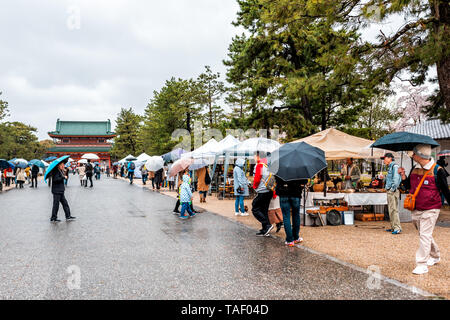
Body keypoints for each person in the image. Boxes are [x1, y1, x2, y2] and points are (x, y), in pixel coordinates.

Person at [399, 144, 450, 275]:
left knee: (425, 235)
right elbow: (408, 186)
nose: (412, 156)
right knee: (423, 233)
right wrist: (403, 176)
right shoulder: (414, 168)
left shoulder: (438, 170)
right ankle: (435, 255)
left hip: (432, 208)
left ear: (420, 155)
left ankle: (422, 264)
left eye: (414, 153)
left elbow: (446, 191)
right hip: (416, 207)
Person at [275, 176, 307, 247]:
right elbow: (304, 181)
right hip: (295, 193)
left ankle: (289, 240)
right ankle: (296, 237)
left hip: (283, 193)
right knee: (296, 215)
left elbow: (276, 179)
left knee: (286, 216)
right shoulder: (299, 167)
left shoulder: (279, 166)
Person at [252, 152, 273, 236]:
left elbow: (257, 179)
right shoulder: (267, 165)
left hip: (262, 191)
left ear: (258, 156)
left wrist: (254, 187)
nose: (253, 158)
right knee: (264, 210)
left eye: (254, 156)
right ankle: (265, 229)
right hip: (268, 191)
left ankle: (267, 225)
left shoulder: (259, 165)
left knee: (255, 208)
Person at [381, 153, 402, 234]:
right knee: (391, 209)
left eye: (385, 158)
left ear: (390, 158)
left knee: (394, 209)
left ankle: (397, 228)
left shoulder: (395, 166)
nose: (384, 160)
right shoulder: (390, 167)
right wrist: (384, 178)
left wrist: (392, 189)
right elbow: (391, 178)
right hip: (390, 190)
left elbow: (396, 180)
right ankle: (393, 227)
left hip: (392, 191)